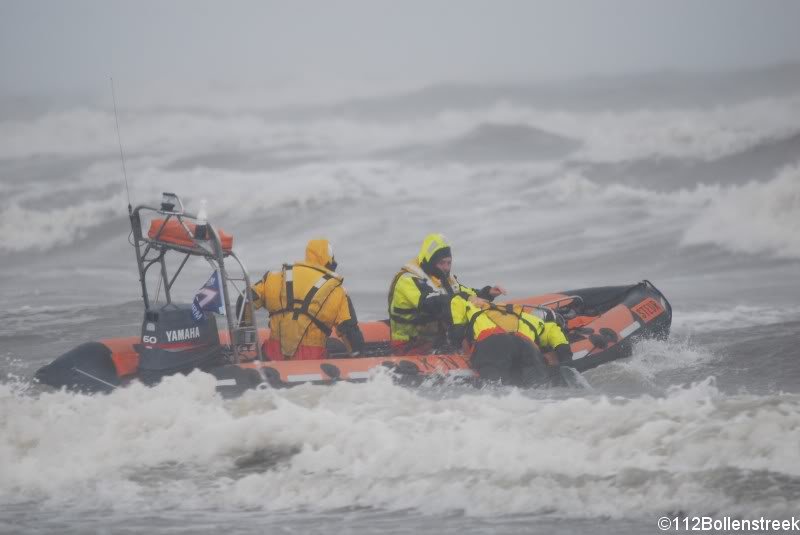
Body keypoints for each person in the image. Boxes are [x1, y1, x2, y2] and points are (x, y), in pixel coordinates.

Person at [387, 233, 506, 354]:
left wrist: (487, 294)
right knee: (456, 306)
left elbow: (463, 292)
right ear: (430, 261)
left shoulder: (441, 277)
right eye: (441, 263)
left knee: (463, 308)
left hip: (434, 341)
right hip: (409, 344)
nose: (446, 268)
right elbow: (433, 302)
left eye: (449, 263)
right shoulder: (407, 280)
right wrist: (466, 298)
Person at [248, 239, 364, 360]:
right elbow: (351, 334)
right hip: (312, 364)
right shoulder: (337, 291)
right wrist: (357, 360)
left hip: (272, 359)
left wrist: (245, 331)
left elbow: (245, 299)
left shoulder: (275, 278)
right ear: (330, 261)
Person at [448, 294, 573, 387]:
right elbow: (558, 338)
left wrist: (458, 326)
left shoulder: (478, 307)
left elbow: (456, 299)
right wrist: (565, 358)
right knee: (539, 387)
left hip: (492, 342)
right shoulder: (535, 321)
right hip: (526, 346)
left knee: (492, 389)